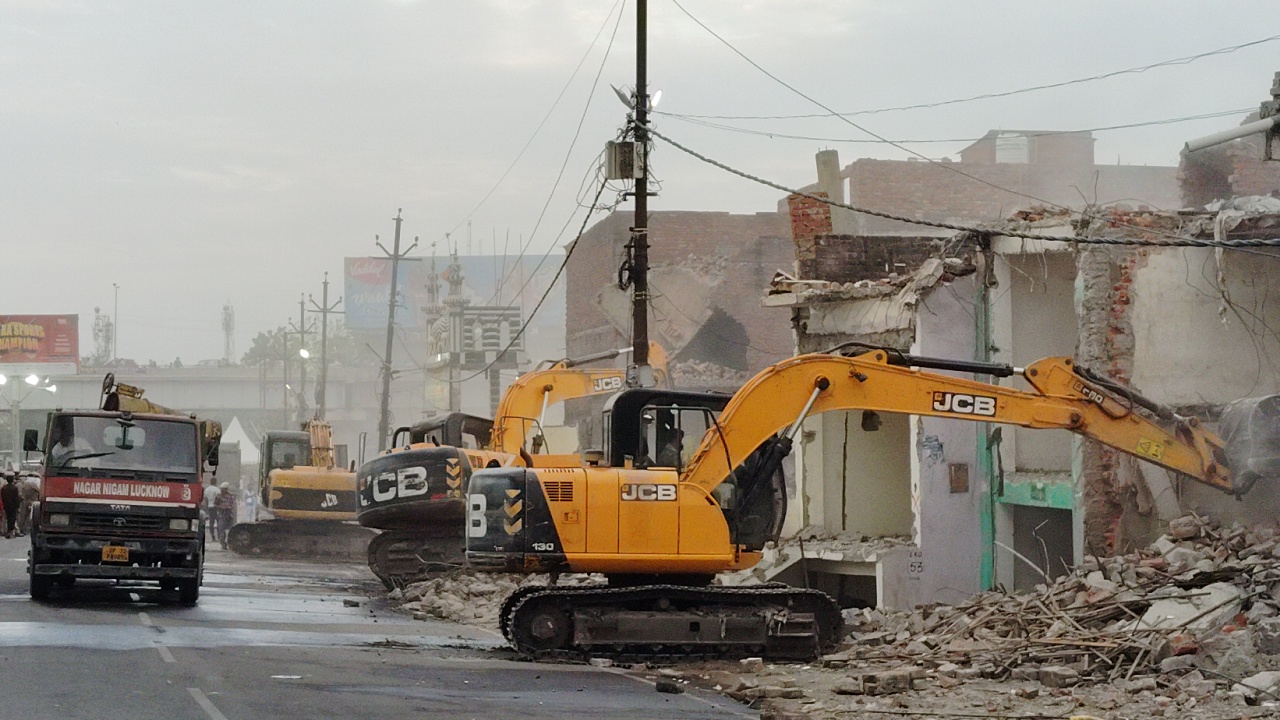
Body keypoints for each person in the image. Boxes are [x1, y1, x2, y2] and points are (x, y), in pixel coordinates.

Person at [16, 472, 39, 536]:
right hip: (32, 502)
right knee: (30, 517)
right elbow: (39, 491)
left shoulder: (23, 484)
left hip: (24, 501)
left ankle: (21, 529)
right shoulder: (33, 484)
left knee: (23, 516)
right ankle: (27, 529)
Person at [214, 482, 237, 549]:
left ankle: (229, 544)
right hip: (222, 515)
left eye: (224, 489)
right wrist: (221, 507)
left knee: (230, 530)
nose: (223, 490)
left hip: (229, 515)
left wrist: (230, 508)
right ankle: (223, 544)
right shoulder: (218, 496)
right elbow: (215, 505)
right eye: (222, 489)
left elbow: (233, 505)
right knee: (221, 530)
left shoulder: (230, 496)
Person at [1, 474, 20, 538]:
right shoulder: (14, 488)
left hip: (6, 505)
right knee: (12, 519)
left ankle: (8, 532)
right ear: (12, 480)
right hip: (13, 506)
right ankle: (10, 532)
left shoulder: (4, 488)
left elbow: (2, 497)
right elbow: (16, 498)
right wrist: (18, 506)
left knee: (8, 518)